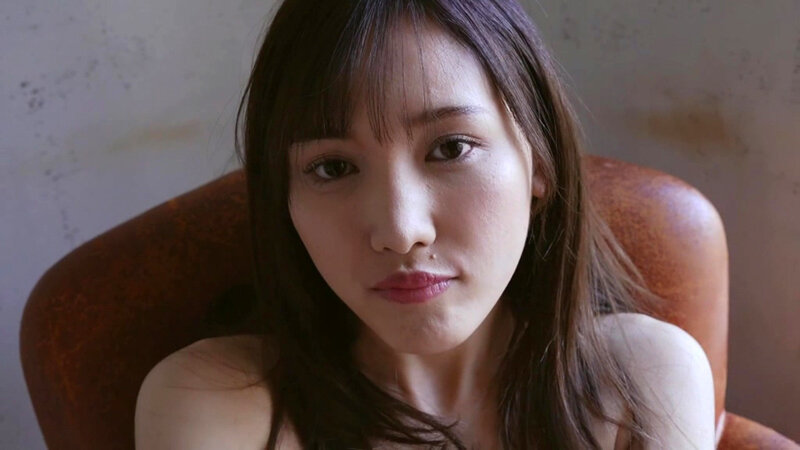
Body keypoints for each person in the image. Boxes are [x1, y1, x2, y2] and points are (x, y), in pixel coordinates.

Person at [134, 0, 716, 448]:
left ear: (539, 162)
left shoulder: (641, 379)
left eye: (451, 148)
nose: (400, 229)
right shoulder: (219, 401)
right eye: (333, 167)